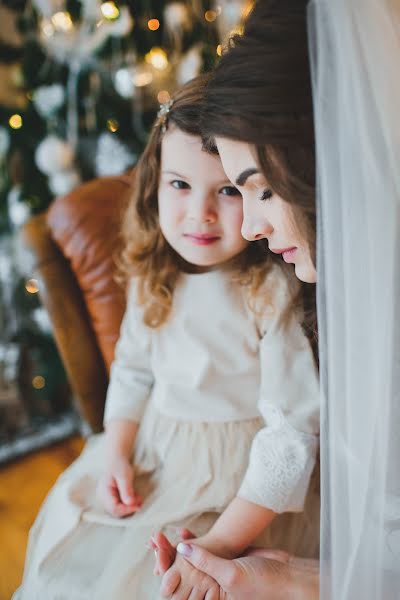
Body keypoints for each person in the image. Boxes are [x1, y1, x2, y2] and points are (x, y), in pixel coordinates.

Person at [14, 73, 319, 600]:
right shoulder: (151, 273)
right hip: (158, 451)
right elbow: (133, 370)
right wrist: (117, 448)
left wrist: (224, 540)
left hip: (239, 483)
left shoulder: (269, 288)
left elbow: (293, 427)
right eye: (180, 184)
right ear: (153, 184)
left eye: (226, 190)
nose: (198, 214)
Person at [157, 0, 400, 598]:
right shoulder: (346, 294)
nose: (251, 229)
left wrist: (293, 588)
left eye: (259, 189)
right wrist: (288, 577)